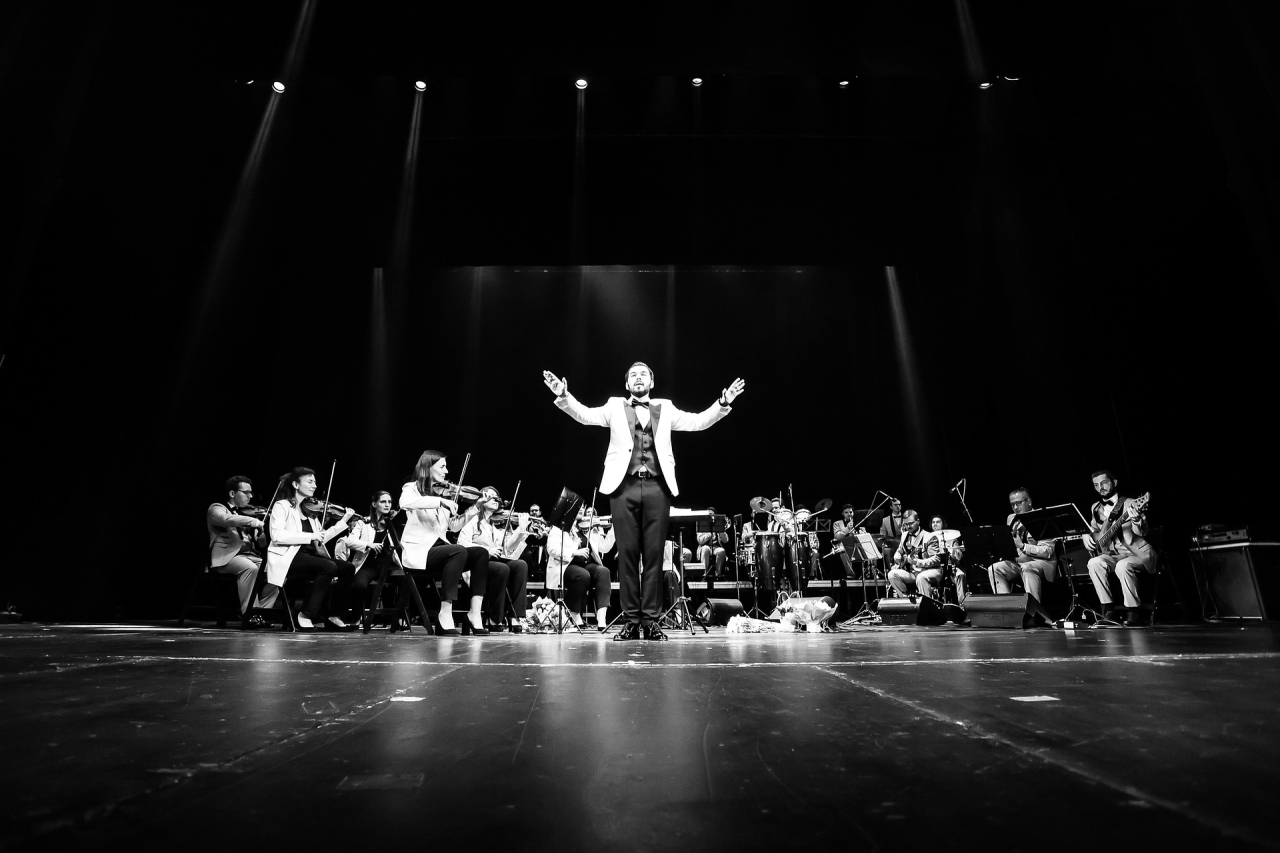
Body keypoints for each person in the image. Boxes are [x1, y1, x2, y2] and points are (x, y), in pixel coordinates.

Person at [544, 363, 744, 641]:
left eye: (643, 374)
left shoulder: (666, 408)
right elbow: (585, 415)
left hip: (656, 486)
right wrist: (564, 396)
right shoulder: (614, 406)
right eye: (633, 375)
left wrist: (723, 403)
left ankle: (650, 620)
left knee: (654, 555)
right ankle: (630, 620)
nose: (638, 378)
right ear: (627, 384)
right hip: (623, 486)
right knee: (627, 554)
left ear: (652, 382)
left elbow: (698, 422)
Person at [398, 450, 492, 635]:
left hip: (441, 550)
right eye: (442, 467)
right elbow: (404, 503)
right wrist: (440, 501)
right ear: (428, 467)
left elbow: (453, 527)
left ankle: (474, 614)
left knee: (480, 553)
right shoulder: (411, 488)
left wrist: (475, 507)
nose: (446, 471)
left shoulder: (444, 494)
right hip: (420, 551)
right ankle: (445, 613)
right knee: (458, 550)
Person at [263, 467, 357, 631]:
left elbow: (321, 539)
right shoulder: (282, 506)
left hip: (310, 556)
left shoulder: (309, 511)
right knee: (329, 566)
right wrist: (310, 536)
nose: (315, 485)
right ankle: (306, 614)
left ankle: (335, 616)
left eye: (315, 482)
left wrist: (343, 521)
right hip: (288, 556)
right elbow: (277, 536)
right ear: (295, 484)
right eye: (310, 481)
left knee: (347, 568)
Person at [1083, 469, 1157, 626]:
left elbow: (1142, 532)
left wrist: (1136, 520)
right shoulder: (1095, 507)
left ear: (1114, 482)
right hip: (1112, 555)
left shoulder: (1131, 503)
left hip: (1136, 554)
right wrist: (1086, 536)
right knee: (1094, 563)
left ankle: (1133, 612)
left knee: (1123, 565)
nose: (1100, 487)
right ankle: (1109, 610)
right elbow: (1094, 530)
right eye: (1096, 485)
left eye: (1104, 483)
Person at [457, 486, 532, 632]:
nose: (495, 499)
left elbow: (508, 548)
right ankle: (494, 617)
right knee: (501, 568)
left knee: (520, 565)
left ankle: (515, 615)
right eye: (490, 496)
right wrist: (487, 550)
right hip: (475, 565)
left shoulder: (495, 524)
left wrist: (521, 529)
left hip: (492, 562)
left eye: (496, 497)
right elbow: (462, 543)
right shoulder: (472, 519)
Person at [205, 476, 275, 625]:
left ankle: (260, 613)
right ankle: (249, 614)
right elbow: (225, 519)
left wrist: (261, 537)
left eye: (251, 493)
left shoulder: (244, 513)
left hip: (250, 555)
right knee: (249, 568)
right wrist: (253, 521)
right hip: (226, 558)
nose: (250, 496)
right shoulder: (216, 508)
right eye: (246, 492)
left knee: (279, 571)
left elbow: (260, 545)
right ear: (232, 493)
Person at [988, 488, 1059, 620]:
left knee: (1026, 568)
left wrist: (1022, 546)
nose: (1015, 507)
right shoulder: (1011, 518)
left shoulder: (1042, 518)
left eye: (1019, 503)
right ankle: (1007, 611)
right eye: (1012, 504)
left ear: (1029, 502)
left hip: (1042, 562)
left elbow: (1047, 551)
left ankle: (1034, 614)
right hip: (1019, 561)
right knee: (994, 568)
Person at [335, 490, 401, 624]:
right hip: (369, 566)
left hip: (390, 565)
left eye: (389, 502)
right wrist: (368, 544)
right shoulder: (363, 523)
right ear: (374, 504)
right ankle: (356, 617)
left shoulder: (393, 523)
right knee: (359, 585)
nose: (387, 505)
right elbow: (349, 541)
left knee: (405, 583)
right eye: (383, 502)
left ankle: (398, 618)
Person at [545, 507, 614, 630]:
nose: (581, 509)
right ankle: (574, 613)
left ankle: (601, 618)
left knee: (603, 571)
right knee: (582, 575)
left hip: (586, 564)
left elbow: (604, 548)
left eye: (583, 507)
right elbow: (551, 549)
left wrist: (614, 528)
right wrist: (574, 552)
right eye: (579, 507)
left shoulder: (589, 528)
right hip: (566, 565)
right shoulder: (559, 528)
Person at [888, 510, 939, 598]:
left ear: (918, 521)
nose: (908, 526)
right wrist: (897, 558)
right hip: (912, 573)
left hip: (929, 571)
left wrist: (917, 562)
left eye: (911, 523)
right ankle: (907, 600)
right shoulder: (904, 535)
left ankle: (926, 604)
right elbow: (899, 551)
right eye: (906, 524)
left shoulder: (929, 537)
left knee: (921, 577)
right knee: (892, 574)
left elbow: (936, 560)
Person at [920, 514, 967, 601]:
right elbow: (924, 557)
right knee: (922, 577)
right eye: (933, 522)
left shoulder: (952, 538)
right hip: (934, 568)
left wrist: (950, 549)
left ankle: (962, 603)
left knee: (960, 575)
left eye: (938, 522)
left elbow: (959, 557)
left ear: (943, 524)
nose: (935, 524)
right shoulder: (927, 538)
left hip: (950, 567)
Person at [696, 506, 729, 579]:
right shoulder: (702, 525)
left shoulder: (719, 525)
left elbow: (726, 540)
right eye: (709, 514)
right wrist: (709, 533)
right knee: (705, 549)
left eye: (713, 515)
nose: (711, 516)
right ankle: (704, 574)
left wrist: (721, 531)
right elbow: (700, 541)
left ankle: (718, 575)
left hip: (716, 547)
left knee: (721, 551)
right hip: (704, 547)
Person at [831, 504, 864, 578]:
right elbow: (837, 537)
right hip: (843, 545)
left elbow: (863, 536)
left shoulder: (859, 522)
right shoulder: (837, 523)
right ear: (842, 513)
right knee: (844, 550)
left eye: (851, 512)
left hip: (856, 545)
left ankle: (868, 573)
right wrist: (847, 528)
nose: (849, 514)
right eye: (846, 512)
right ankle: (851, 574)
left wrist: (860, 532)